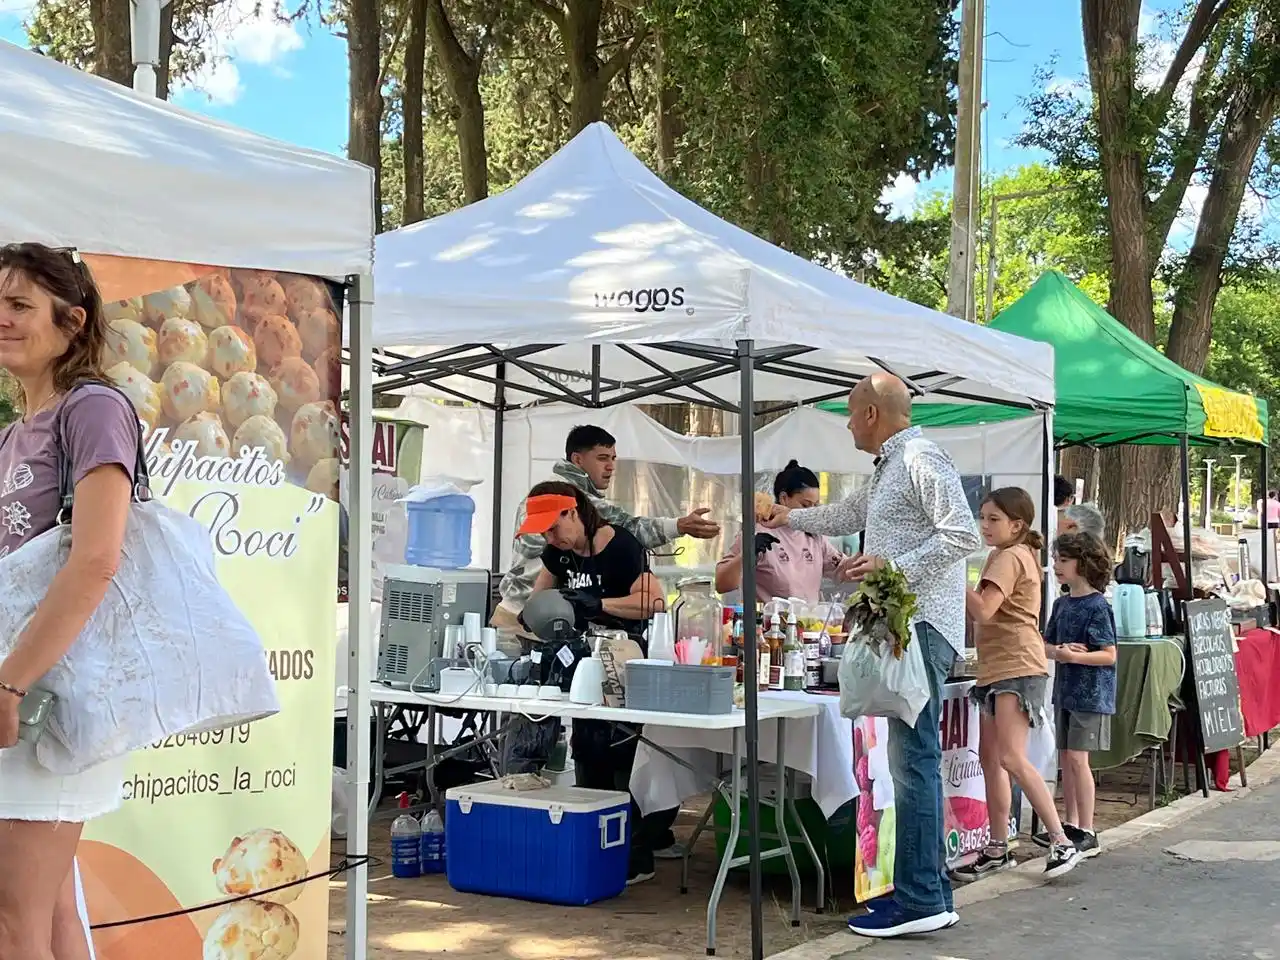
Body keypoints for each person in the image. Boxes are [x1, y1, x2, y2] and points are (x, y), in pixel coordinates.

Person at [764, 372, 979, 938]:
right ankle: (928, 890)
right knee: (912, 763)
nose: (845, 424)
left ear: (870, 415)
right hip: (909, 626)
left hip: (921, 627)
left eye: (849, 413)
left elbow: (962, 535)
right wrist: (788, 517)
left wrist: (891, 566)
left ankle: (919, 900)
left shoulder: (919, 457)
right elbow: (850, 515)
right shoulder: (893, 463)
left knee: (913, 764)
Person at [0, 243, 143, 960]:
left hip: (47, 694)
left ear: (72, 319)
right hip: (27, 691)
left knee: (13, 920)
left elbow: (95, 559)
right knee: (49, 911)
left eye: (18, 304)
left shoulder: (92, 410)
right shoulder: (14, 432)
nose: (0, 318)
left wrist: (10, 680)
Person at [521, 481, 666, 884]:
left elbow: (654, 602)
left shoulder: (622, 547)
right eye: (543, 533)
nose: (550, 539)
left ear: (574, 512)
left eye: (554, 528)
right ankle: (597, 842)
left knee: (622, 753)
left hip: (625, 661)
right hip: (583, 664)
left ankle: (636, 850)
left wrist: (600, 605)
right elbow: (537, 602)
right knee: (586, 747)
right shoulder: (557, 553)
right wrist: (531, 617)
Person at [952, 488, 1080, 885]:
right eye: (983, 517)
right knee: (991, 759)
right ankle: (996, 846)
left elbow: (984, 609)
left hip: (1016, 667)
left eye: (993, 519)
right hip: (998, 667)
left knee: (1010, 758)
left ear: (1017, 525)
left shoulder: (1010, 556)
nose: (985, 525)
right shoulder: (1007, 555)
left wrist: (948, 577)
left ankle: (1061, 839)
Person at [493, 424, 720, 631]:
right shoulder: (567, 498)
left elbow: (651, 600)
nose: (611, 467)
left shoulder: (545, 493)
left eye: (613, 458)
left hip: (526, 612)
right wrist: (679, 525)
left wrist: (597, 604)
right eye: (602, 458)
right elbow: (633, 529)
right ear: (578, 460)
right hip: (529, 616)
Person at [1036, 532, 1117, 857]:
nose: (1056, 565)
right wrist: (1058, 652)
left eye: (1063, 560)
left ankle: (1087, 827)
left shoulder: (1098, 606)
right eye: (1056, 559)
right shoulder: (1061, 604)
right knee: (1066, 759)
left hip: (1091, 694)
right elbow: (1045, 644)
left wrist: (1073, 657)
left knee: (1079, 759)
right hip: (1066, 691)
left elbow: (1109, 654)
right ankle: (1070, 823)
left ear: (1083, 564)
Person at [715, 460, 843, 603]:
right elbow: (722, 584)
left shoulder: (815, 537)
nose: (811, 512)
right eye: (805, 505)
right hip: (770, 623)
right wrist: (748, 552)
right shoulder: (758, 534)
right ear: (783, 498)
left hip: (809, 623)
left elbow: (846, 570)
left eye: (816, 506)